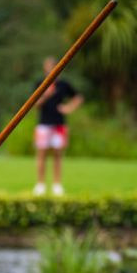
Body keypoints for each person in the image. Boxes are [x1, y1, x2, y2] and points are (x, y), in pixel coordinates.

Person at [33, 57, 83, 196]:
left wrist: (69, 108)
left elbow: (78, 97)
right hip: (43, 124)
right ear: (45, 69)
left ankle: (56, 185)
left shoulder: (63, 84)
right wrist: (46, 95)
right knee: (41, 155)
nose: (50, 69)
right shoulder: (40, 83)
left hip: (59, 124)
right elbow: (35, 105)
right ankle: (41, 185)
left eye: (53, 67)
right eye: (48, 67)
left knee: (57, 155)